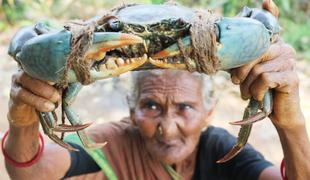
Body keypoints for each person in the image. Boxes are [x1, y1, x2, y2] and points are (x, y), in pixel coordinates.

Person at [3, 32, 310, 180]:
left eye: (185, 107)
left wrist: (292, 124)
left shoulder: (221, 150)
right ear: (131, 111)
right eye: (150, 105)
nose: (167, 126)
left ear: (209, 113)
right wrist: (23, 121)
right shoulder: (116, 140)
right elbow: (33, 172)